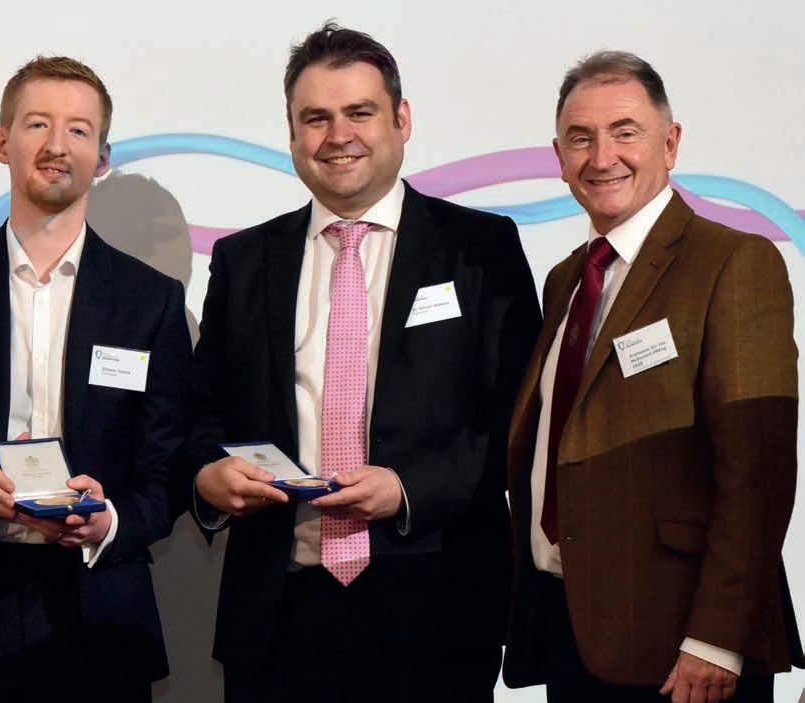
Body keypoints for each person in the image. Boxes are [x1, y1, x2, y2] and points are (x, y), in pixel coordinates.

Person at [182, 22, 541, 703]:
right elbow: (203, 410)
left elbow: (515, 421)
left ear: (401, 121)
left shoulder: (481, 247)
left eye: (359, 113)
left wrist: (407, 489)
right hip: (279, 613)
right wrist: (207, 474)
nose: (337, 136)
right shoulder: (244, 260)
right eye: (315, 118)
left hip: (435, 611)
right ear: (292, 133)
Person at [0, 55, 190, 703]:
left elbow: (169, 470)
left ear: (102, 157)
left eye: (79, 130)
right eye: (37, 124)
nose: (57, 145)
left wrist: (108, 519)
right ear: (2, 142)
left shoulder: (151, 301)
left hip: (100, 616)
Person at [502, 50, 804, 703]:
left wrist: (717, 638)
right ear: (558, 157)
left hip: (684, 649)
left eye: (625, 132)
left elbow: (758, 472)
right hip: (572, 630)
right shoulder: (565, 279)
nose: (601, 156)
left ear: (670, 143)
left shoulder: (734, 262)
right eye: (580, 138)